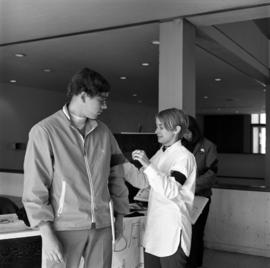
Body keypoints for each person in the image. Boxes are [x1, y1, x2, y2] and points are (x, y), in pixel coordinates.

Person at [22, 67, 129, 268]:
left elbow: (117, 176)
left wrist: (120, 217)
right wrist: (46, 233)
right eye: (101, 100)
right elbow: (35, 187)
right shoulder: (44, 131)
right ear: (82, 95)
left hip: (103, 225)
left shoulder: (104, 132)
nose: (105, 106)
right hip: (63, 227)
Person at [121, 108, 197, 268]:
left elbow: (171, 190)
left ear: (176, 130)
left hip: (172, 231)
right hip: (154, 231)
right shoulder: (160, 153)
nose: (156, 131)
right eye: (157, 126)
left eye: (161, 127)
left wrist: (148, 164)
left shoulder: (184, 157)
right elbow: (143, 181)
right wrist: (120, 164)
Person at [182, 115, 218, 268]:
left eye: (187, 131)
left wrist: (191, 186)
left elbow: (212, 174)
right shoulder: (178, 146)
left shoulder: (208, 146)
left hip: (201, 198)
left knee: (196, 234)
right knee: (182, 232)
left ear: (194, 130)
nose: (185, 135)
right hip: (181, 197)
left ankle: (195, 264)